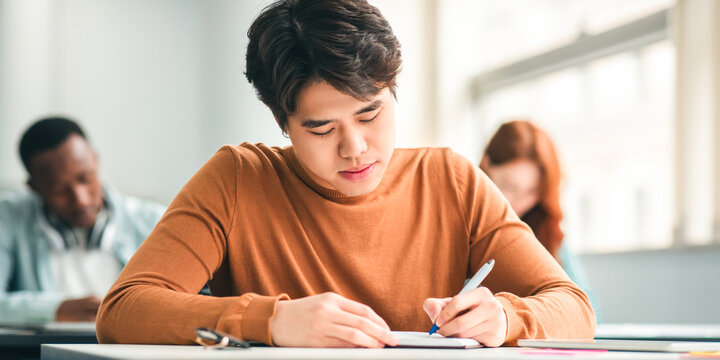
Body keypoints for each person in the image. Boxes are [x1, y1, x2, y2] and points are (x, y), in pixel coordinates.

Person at [96, 0, 595, 348]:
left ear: (393, 94)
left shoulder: (451, 179)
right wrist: (272, 320)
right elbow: (123, 311)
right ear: (283, 123)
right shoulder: (237, 178)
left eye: (370, 114)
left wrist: (506, 317)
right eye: (319, 128)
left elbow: (573, 307)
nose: (354, 149)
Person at [0, 117, 165, 323]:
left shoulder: (155, 221)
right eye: (59, 189)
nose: (81, 200)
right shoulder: (8, 217)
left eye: (85, 178)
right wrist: (55, 309)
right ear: (34, 187)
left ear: (95, 160)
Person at [479, 120, 601, 318]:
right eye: (509, 186)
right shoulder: (459, 223)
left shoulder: (545, 229)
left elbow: (589, 311)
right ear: (486, 165)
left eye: (533, 191)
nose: (519, 201)